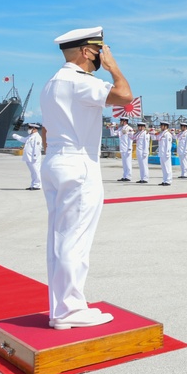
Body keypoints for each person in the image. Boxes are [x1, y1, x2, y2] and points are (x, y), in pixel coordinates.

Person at [41, 25, 131, 329]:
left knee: (60, 238)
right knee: (75, 238)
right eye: (98, 51)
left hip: (56, 159)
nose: (100, 56)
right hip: (78, 163)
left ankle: (61, 308)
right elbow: (124, 96)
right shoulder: (79, 82)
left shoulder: (52, 83)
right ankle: (70, 310)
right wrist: (114, 68)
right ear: (84, 51)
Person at [12, 122, 43, 190]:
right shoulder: (31, 136)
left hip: (34, 158)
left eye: (30, 128)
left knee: (36, 171)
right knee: (33, 172)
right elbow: (24, 140)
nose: (28, 129)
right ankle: (33, 185)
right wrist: (16, 136)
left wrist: (35, 156)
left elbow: (37, 147)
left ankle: (37, 185)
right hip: (29, 157)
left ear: (34, 129)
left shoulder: (37, 137)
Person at [110, 117, 134, 181]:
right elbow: (113, 134)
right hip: (123, 148)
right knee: (124, 163)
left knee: (128, 162)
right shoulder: (120, 128)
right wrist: (111, 128)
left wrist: (129, 148)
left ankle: (128, 176)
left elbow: (131, 138)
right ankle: (125, 176)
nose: (120, 122)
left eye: (121, 121)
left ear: (124, 121)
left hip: (127, 148)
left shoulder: (129, 128)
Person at [152, 121, 173, 186]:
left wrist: (167, 152)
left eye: (162, 125)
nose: (160, 127)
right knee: (163, 168)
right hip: (161, 153)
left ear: (165, 126)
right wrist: (152, 133)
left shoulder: (167, 134)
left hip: (166, 153)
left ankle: (168, 180)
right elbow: (154, 138)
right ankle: (164, 180)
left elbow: (168, 144)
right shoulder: (161, 133)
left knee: (167, 167)